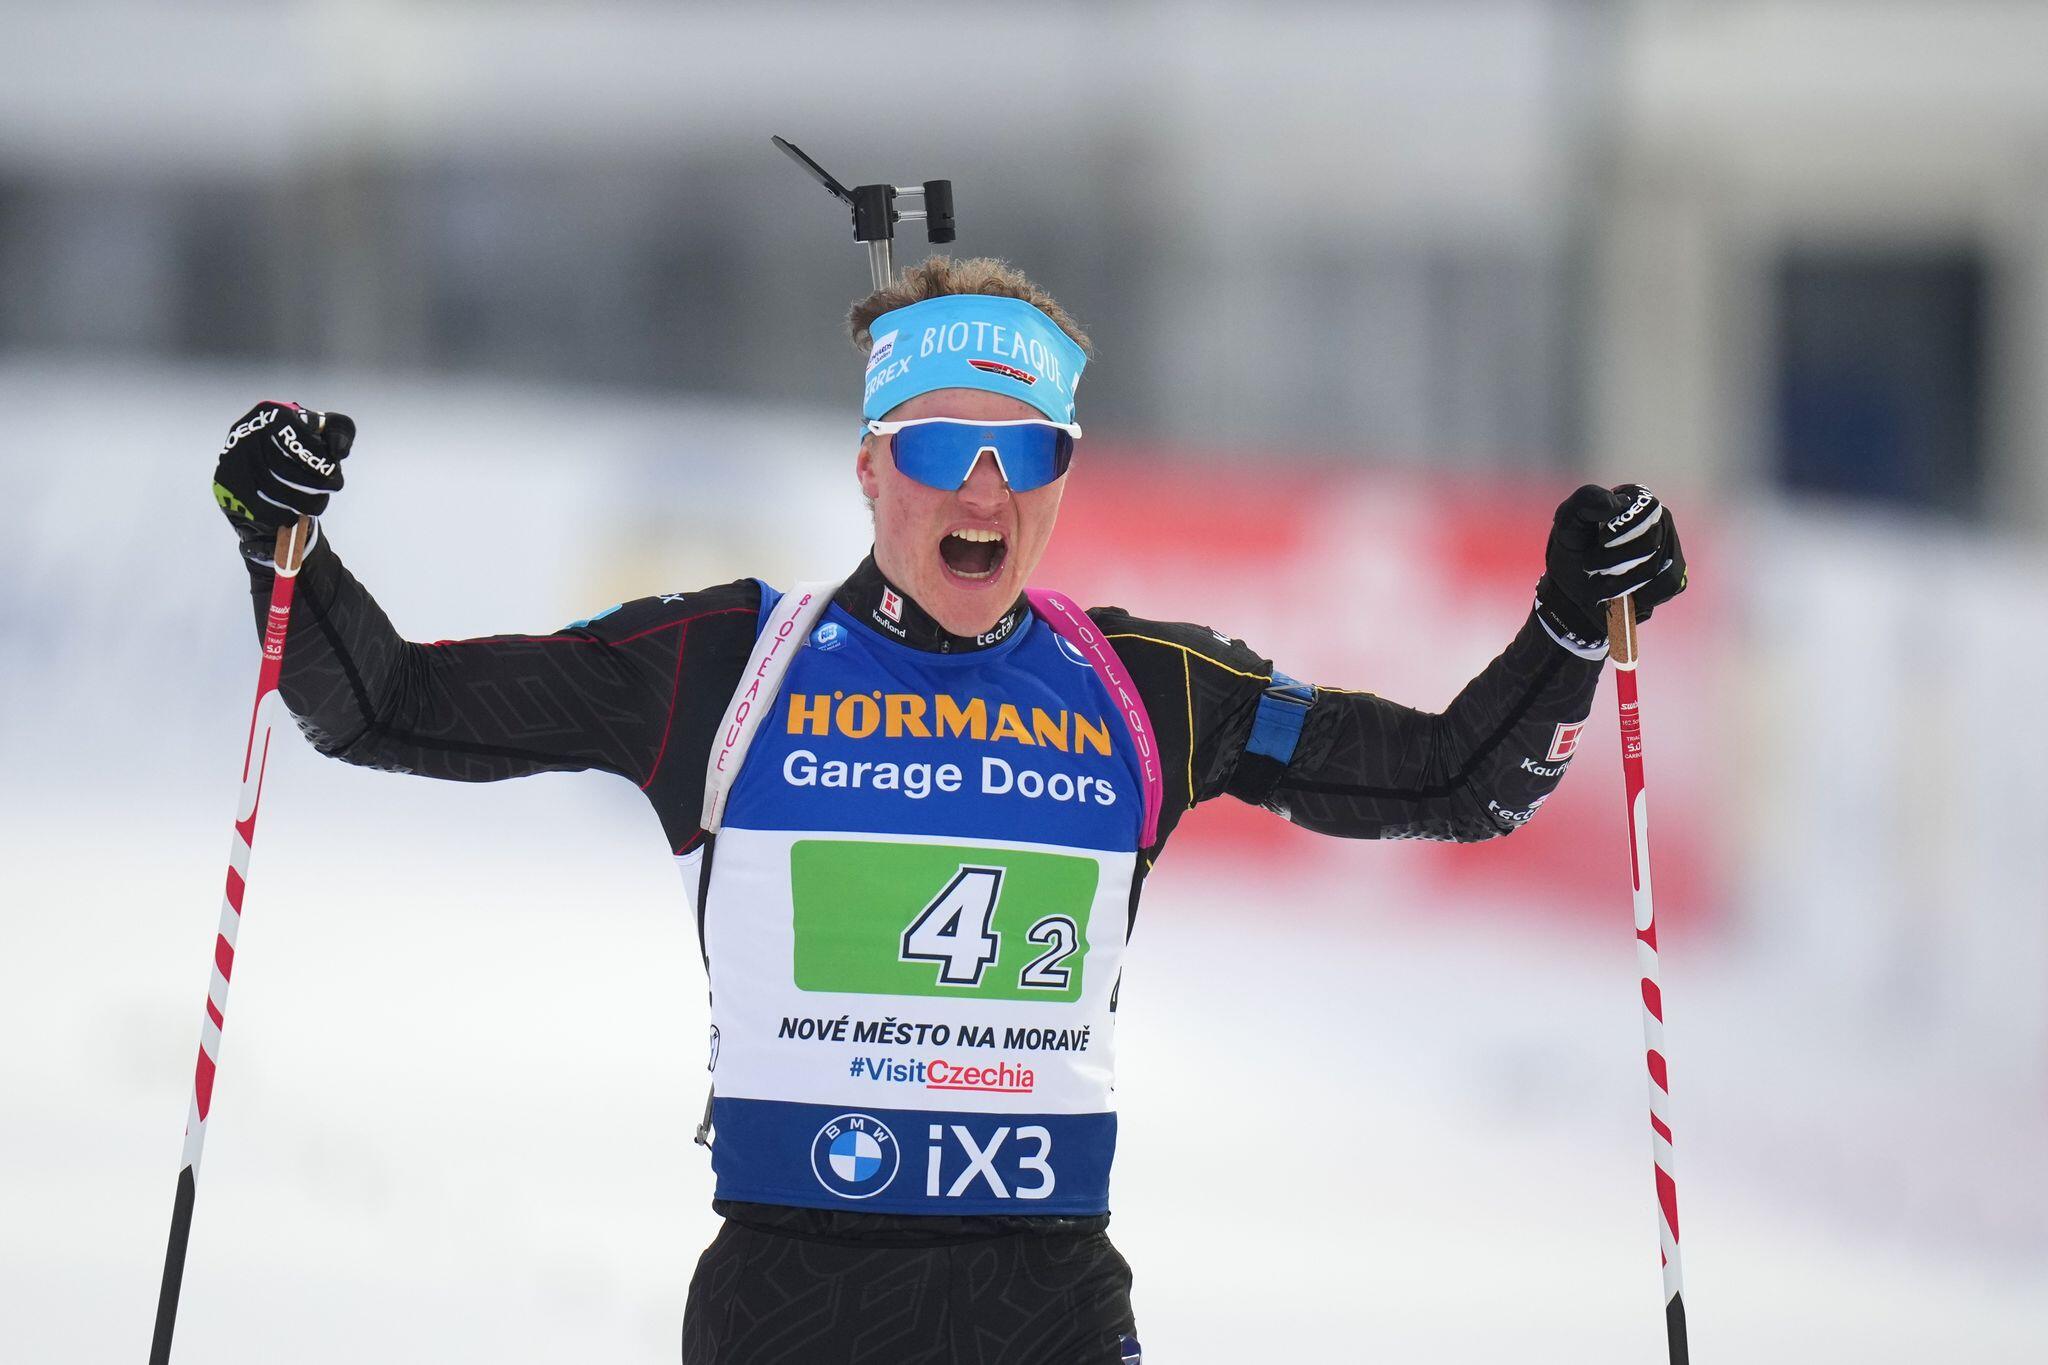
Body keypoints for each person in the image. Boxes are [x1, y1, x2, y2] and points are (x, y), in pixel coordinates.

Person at [212, 255, 1685, 1365]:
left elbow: (1453, 780)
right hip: (792, 1299)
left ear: (1064, 477)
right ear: (868, 468)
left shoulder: (1150, 689)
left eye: (1024, 451)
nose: (982, 490)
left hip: (1046, 1303)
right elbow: (387, 704)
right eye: (935, 448)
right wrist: (285, 546)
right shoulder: (728, 664)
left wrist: (1568, 626)